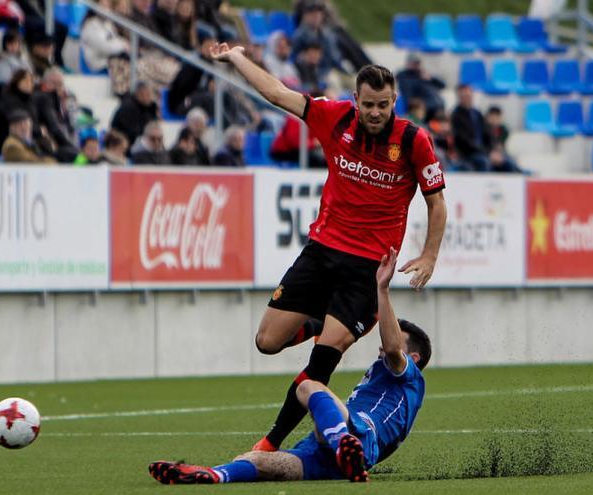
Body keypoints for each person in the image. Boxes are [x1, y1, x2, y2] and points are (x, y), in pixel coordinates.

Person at [209, 42, 447, 454]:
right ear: (355, 100)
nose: (376, 112)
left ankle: (269, 443)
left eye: (384, 105)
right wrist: (236, 58)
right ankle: (324, 320)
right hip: (321, 252)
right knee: (266, 341)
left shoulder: (413, 140)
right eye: (369, 104)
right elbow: (277, 94)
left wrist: (429, 255)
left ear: (395, 101)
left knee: (322, 360)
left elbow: (436, 202)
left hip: (368, 270)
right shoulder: (334, 117)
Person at [148, 247, 430, 484]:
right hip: (333, 454)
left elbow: (393, 347)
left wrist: (382, 289)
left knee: (308, 385)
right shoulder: (387, 376)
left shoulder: (409, 378)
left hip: (359, 434)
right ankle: (212, 475)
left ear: (414, 358)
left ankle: (344, 444)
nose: (382, 345)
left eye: (394, 337)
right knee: (254, 461)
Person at [451, 83, 490, 172]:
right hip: (467, 153)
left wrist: (491, 150)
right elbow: (462, 139)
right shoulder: (456, 115)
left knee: (506, 161)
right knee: (483, 162)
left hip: (482, 150)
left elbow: (487, 133)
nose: (466, 98)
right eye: (463, 96)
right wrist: (483, 151)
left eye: (468, 95)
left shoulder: (477, 113)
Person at [395, 54, 445, 121]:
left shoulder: (423, 74)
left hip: (438, 108)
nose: (417, 65)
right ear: (408, 63)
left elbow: (443, 85)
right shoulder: (404, 77)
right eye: (414, 63)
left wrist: (431, 78)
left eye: (418, 63)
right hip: (426, 111)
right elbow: (408, 97)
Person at [110, 81, 159, 149]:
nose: (150, 98)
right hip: (123, 144)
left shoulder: (151, 107)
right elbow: (132, 132)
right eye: (147, 94)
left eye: (150, 95)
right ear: (138, 94)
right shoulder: (128, 107)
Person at [484, 106, 525, 173]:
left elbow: (500, 146)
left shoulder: (504, 130)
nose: (495, 120)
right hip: (487, 154)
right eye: (492, 117)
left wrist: (498, 153)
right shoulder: (483, 129)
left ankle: (520, 173)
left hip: (500, 154)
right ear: (488, 117)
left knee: (511, 161)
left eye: (497, 117)